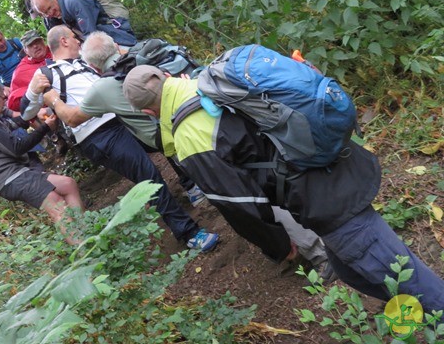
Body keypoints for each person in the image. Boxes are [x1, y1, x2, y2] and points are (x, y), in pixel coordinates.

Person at [122, 65, 444, 314]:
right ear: (165, 76)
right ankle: (414, 320)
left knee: (407, 279)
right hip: (326, 176)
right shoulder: (207, 80)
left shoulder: (188, 136)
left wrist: (278, 244)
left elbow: (240, 205)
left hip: (324, 200)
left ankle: (431, 317)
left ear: (149, 113)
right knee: (356, 272)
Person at [41, 31, 331, 273]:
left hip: (184, 137)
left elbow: (71, 118)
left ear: (93, 67)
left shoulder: (103, 88)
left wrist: (52, 98)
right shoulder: (151, 62)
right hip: (212, 109)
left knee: (242, 190)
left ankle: (317, 254)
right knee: (263, 171)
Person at [20, 25, 218, 252]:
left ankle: (192, 186)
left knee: (162, 138)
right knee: (148, 175)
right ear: (64, 41)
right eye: (74, 38)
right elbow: (26, 113)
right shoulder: (47, 73)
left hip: (120, 118)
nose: (78, 41)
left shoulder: (86, 62)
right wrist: (33, 93)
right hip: (97, 134)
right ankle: (188, 233)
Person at [0, 80, 83, 245]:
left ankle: (85, 230)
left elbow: (16, 123)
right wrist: (44, 127)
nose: (5, 102)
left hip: (19, 174)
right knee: (57, 205)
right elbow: (16, 147)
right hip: (11, 178)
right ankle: (85, 249)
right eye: (3, 98)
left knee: (68, 184)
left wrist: (35, 113)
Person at [31, 0, 137, 48]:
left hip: (119, 40)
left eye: (49, 8)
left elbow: (91, 35)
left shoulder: (74, 3)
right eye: (45, 13)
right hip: (107, 45)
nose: (50, 13)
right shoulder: (61, 16)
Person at [7, 30, 53, 112]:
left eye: (37, 42)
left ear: (43, 41)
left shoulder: (57, 49)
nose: (35, 46)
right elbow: (14, 102)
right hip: (50, 107)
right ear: (25, 51)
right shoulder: (21, 71)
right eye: (30, 45)